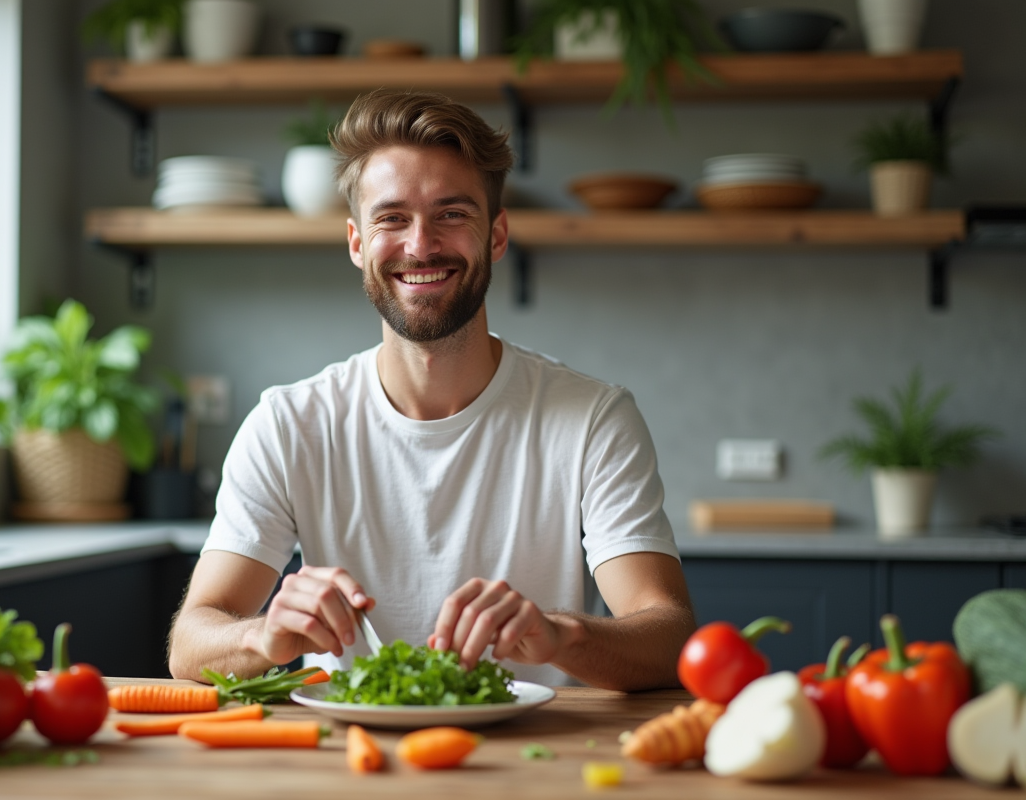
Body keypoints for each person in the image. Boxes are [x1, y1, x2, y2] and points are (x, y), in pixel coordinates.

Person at [168, 89, 695, 689]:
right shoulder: (289, 424)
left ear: (496, 236)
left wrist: (558, 634)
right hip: (349, 761)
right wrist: (261, 636)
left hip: (535, 763)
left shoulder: (593, 418)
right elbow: (191, 643)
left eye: (452, 214)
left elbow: (668, 633)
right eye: (392, 218)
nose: (420, 245)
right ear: (356, 241)